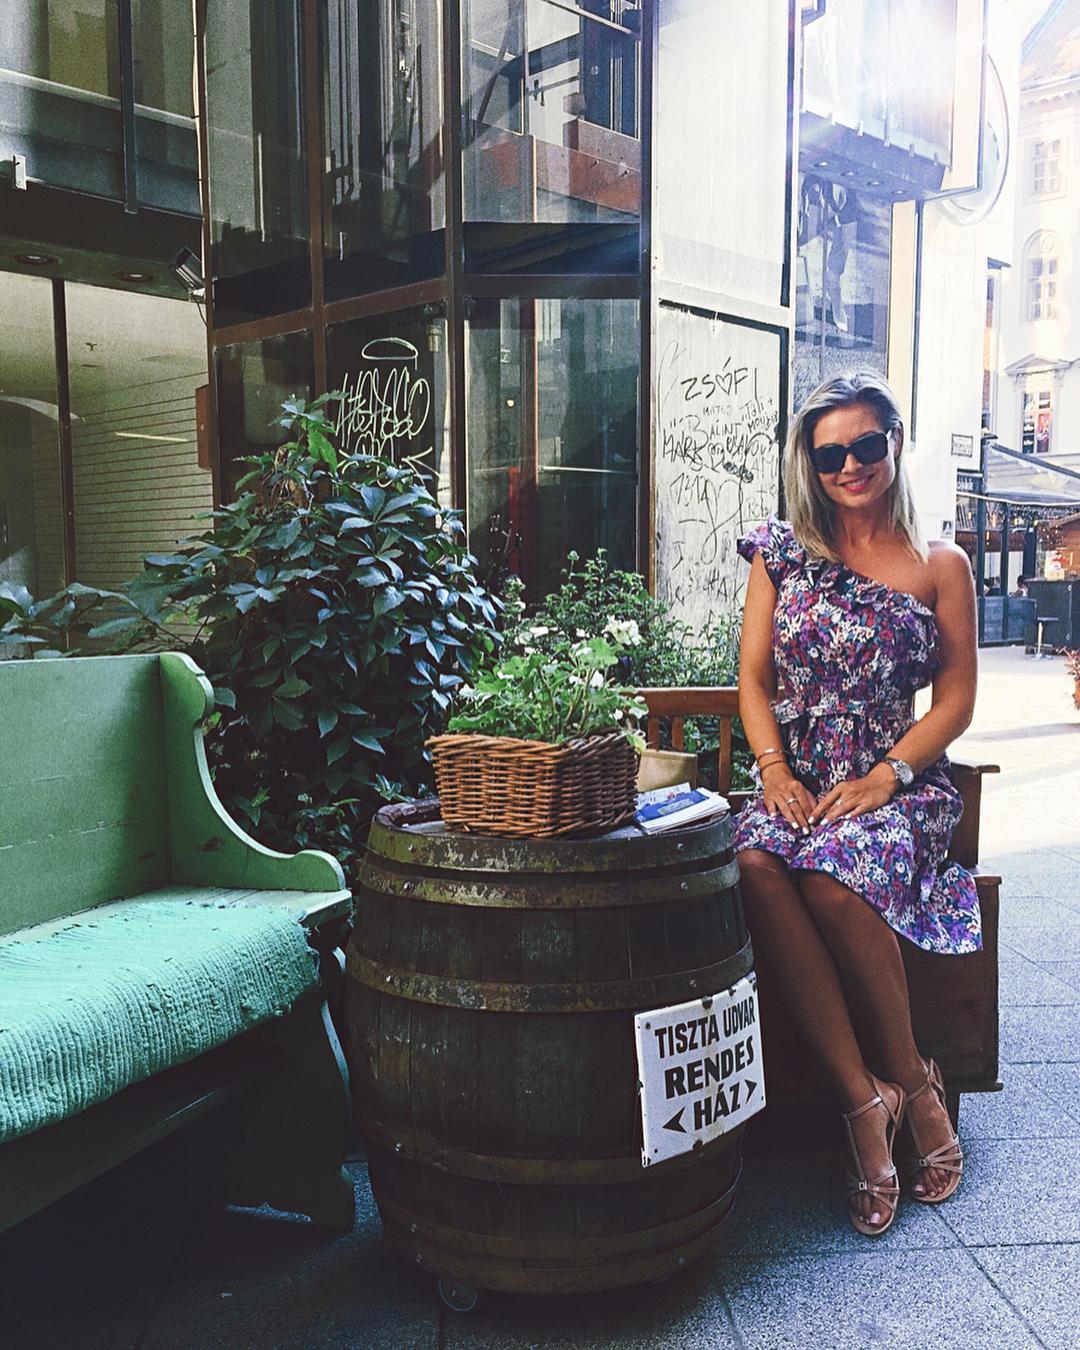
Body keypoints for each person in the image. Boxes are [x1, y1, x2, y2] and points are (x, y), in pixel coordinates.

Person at [735, 371, 979, 1238]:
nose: (849, 466)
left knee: (833, 878)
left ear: (895, 443)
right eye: (829, 453)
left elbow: (956, 700)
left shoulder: (941, 565)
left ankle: (912, 1078)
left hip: (895, 785)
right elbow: (753, 680)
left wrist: (888, 777)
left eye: (865, 445)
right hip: (799, 778)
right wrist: (773, 770)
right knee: (755, 860)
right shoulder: (781, 551)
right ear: (809, 462)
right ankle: (863, 1098)